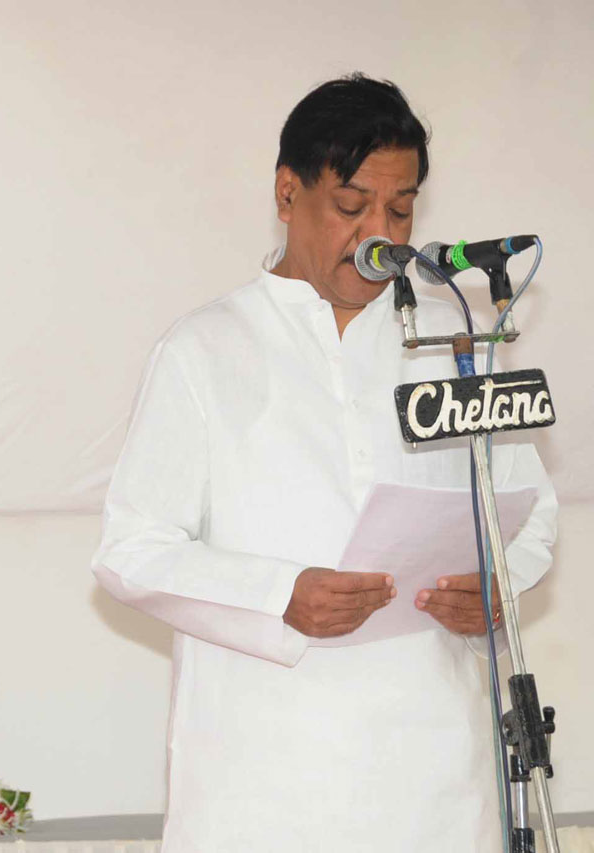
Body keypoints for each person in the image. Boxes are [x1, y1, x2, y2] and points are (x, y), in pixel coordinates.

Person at [92, 74, 557, 852]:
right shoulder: (203, 350)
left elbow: (532, 512)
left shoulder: (454, 340)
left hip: (440, 783)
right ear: (287, 191)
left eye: (400, 209)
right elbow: (130, 551)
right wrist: (281, 594)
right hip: (265, 781)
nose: (380, 232)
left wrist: (498, 589)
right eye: (351, 206)